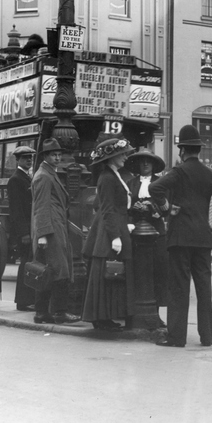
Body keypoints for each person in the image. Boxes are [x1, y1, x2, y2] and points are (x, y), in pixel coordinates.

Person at [149, 124, 212, 347]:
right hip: (203, 239)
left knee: (179, 288)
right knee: (204, 289)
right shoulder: (210, 175)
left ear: (182, 151)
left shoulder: (178, 172)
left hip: (179, 238)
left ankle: (177, 337)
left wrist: (168, 208)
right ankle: (206, 337)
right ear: (198, 150)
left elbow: (154, 189)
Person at [82, 138, 136, 332]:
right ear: (112, 158)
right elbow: (106, 209)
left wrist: (124, 224)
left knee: (111, 275)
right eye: (122, 154)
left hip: (115, 227)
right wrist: (114, 236)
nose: (125, 157)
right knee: (108, 273)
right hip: (108, 232)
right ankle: (100, 319)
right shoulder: (107, 177)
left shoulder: (113, 175)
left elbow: (103, 205)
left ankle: (104, 317)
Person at [30, 139, 80, 325]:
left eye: (59, 154)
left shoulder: (48, 173)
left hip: (55, 226)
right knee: (58, 270)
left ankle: (43, 313)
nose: (58, 157)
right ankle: (58, 312)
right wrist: (42, 235)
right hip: (50, 229)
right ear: (45, 156)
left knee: (49, 271)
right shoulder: (44, 175)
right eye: (54, 154)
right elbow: (41, 207)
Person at [126, 149, 169, 320]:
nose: (145, 164)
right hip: (135, 231)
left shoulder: (161, 183)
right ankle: (134, 313)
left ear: (153, 165)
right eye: (142, 161)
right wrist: (133, 212)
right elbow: (125, 205)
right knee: (136, 271)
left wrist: (152, 208)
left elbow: (167, 207)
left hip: (157, 232)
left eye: (148, 161)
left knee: (157, 271)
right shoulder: (130, 183)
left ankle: (155, 314)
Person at [7, 145, 36, 312]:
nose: (29, 161)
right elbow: (16, 210)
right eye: (25, 158)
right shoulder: (16, 179)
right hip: (25, 230)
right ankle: (23, 301)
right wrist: (24, 233)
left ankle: (26, 300)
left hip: (30, 227)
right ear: (17, 160)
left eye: (30, 158)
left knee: (29, 262)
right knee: (26, 263)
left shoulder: (27, 177)